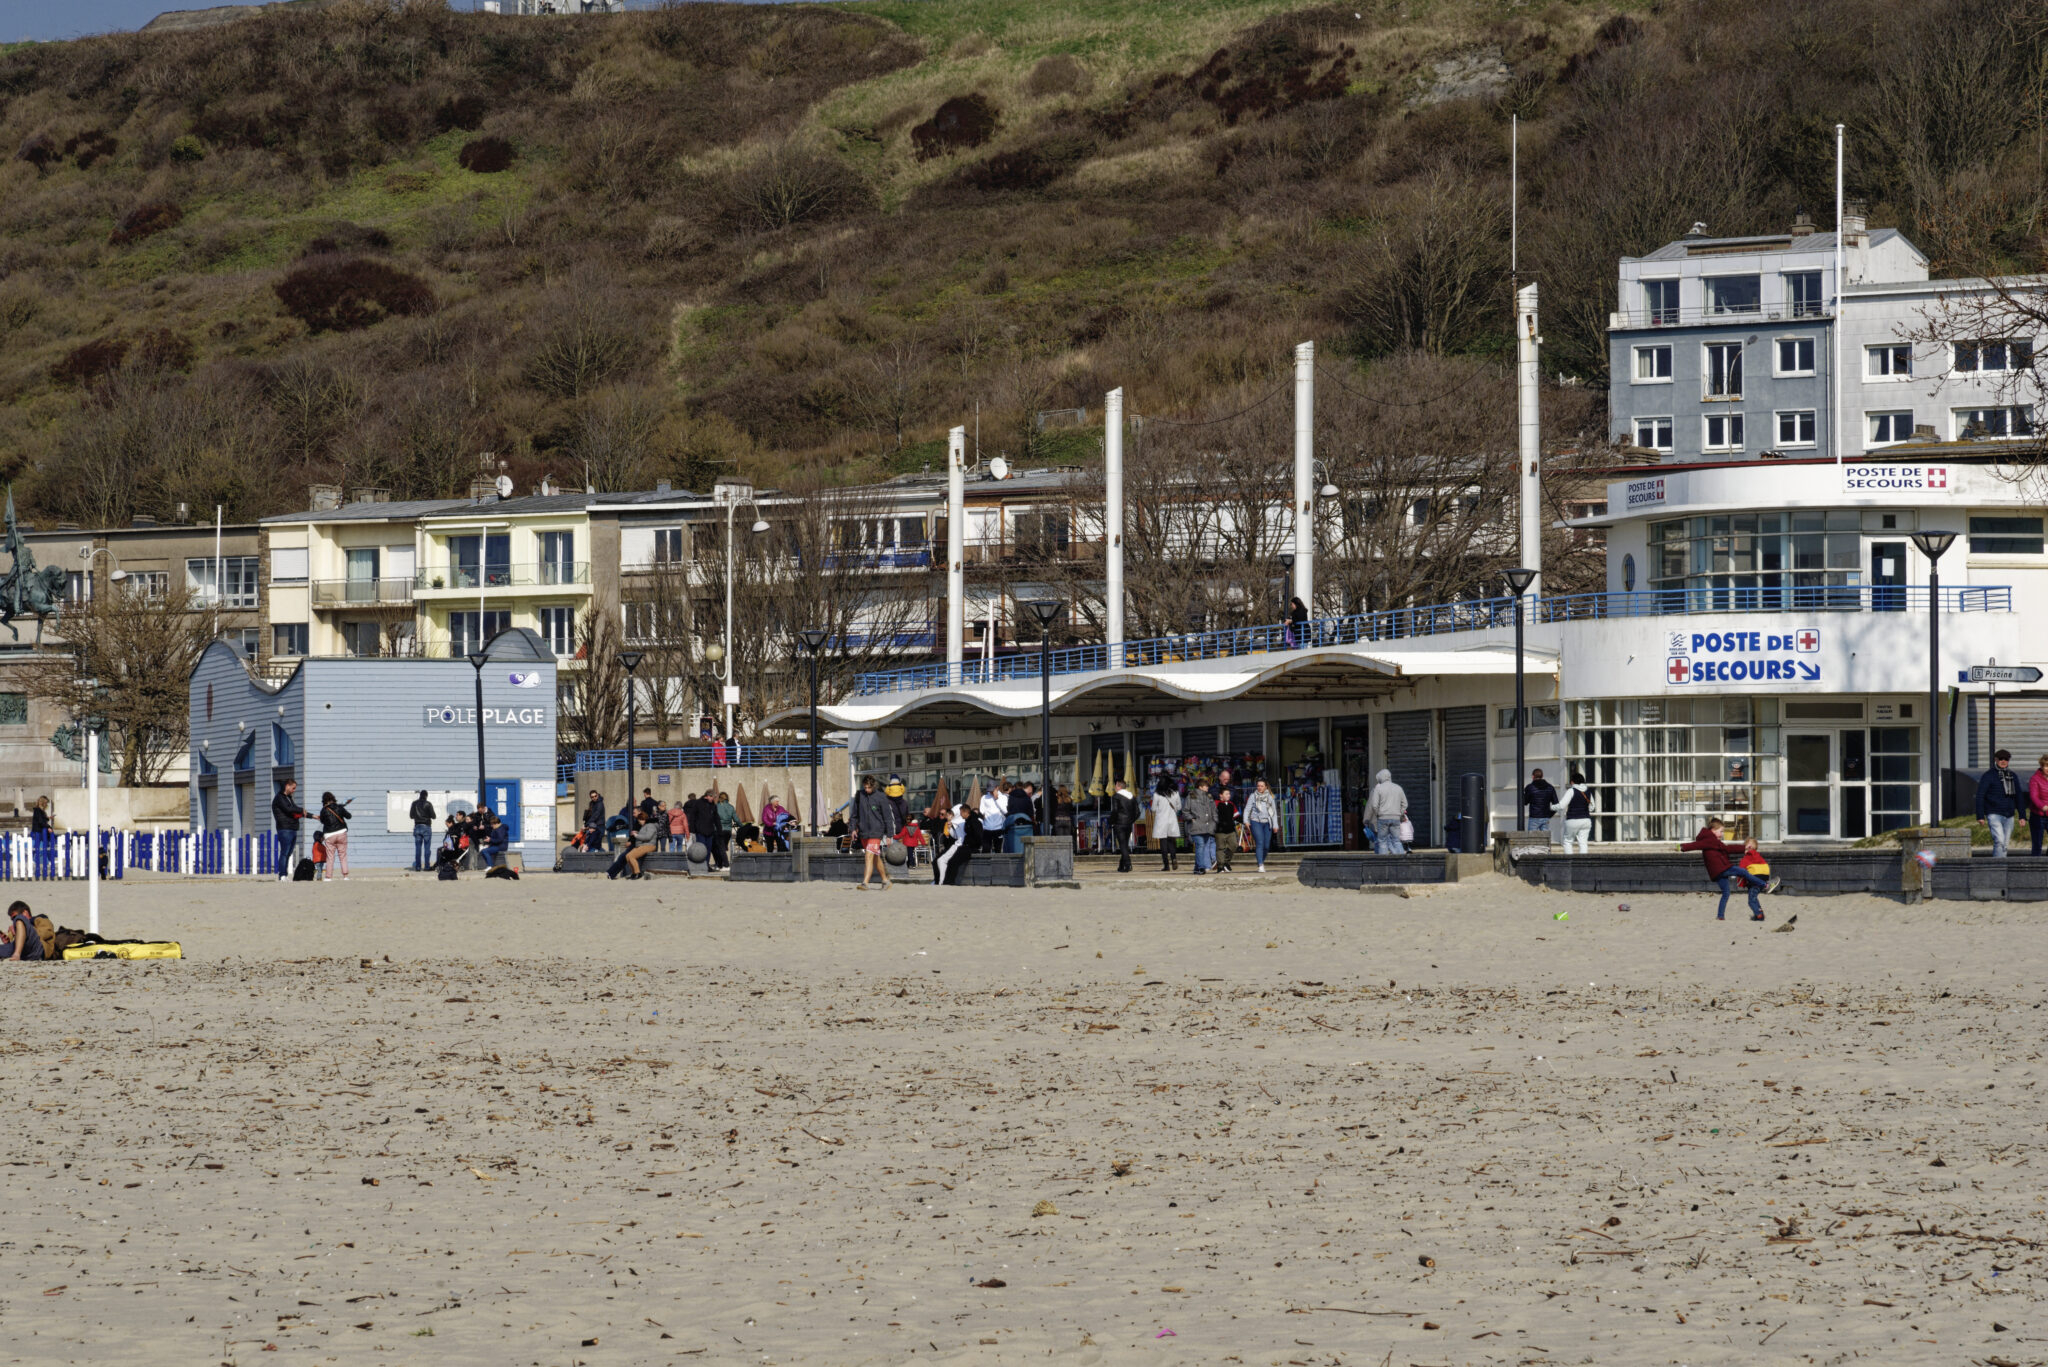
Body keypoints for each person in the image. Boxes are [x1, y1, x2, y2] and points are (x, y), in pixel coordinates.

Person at [1681, 816, 1778, 921]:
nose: (1722, 834)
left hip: (1717, 872)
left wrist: (1743, 849)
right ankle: (1766, 885)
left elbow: (1726, 849)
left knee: (1726, 893)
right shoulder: (1710, 840)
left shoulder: (1712, 840)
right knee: (1744, 872)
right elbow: (1697, 845)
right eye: (1721, 831)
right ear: (1713, 830)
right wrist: (1682, 847)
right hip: (1722, 868)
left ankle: (1720, 916)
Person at [851, 775, 895, 890]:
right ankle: (885, 880)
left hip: (876, 831)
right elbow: (854, 815)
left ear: (873, 786)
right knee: (875, 858)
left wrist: (890, 834)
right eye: (865, 787)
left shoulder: (881, 797)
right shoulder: (859, 796)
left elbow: (888, 817)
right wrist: (852, 829)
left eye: (869, 788)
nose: (867, 790)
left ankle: (865, 883)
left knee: (868, 855)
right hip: (864, 832)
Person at [1977, 748, 2022, 858]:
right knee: (1999, 841)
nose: (2003, 761)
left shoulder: (2012, 776)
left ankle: (2002, 866)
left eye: (2006, 759)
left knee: (2005, 844)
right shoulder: (1988, 775)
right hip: (1994, 813)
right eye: (2000, 759)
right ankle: (1998, 867)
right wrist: (1980, 815)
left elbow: (2019, 796)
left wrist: (2022, 816)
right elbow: (1980, 795)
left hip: (2009, 814)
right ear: (1996, 760)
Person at [609, 808, 662, 880]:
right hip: (642, 845)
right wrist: (637, 833)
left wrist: (636, 835)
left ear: (643, 819)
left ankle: (637, 873)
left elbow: (648, 837)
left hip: (649, 845)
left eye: (640, 820)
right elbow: (644, 835)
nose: (639, 822)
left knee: (631, 856)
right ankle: (634, 873)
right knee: (627, 856)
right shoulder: (644, 826)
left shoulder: (650, 826)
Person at [271, 779, 307, 881]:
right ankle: (282, 875)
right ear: (287, 786)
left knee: (288, 853)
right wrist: (301, 810)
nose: (294, 790)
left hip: (292, 828)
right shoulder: (279, 798)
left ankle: (284, 875)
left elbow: (296, 810)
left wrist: (313, 816)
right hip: (284, 829)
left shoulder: (289, 798)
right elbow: (289, 809)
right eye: (293, 788)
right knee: (284, 853)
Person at [1365, 769, 1408, 854]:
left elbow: (1374, 805)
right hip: (1395, 818)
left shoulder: (1378, 789)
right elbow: (1405, 804)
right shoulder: (1398, 788)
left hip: (1383, 818)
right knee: (1396, 840)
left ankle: (1383, 863)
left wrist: (1378, 814)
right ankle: (1401, 861)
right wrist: (1399, 813)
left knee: (1382, 841)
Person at [1242, 779, 1280, 872]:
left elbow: (1273, 813)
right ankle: (1260, 864)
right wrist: (1246, 821)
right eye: (1258, 786)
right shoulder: (1252, 796)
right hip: (1256, 821)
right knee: (1260, 842)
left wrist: (1275, 825)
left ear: (1266, 787)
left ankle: (1261, 860)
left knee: (1266, 845)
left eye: (1261, 786)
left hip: (1267, 822)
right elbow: (1247, 809)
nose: (1259, 788)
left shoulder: (1270, 797)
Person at [1182, 779, 1218, 874]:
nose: (1207, 788)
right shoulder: (1191, 796)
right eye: (1206, 786)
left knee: (1203, 846)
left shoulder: (1209, 797)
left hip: (1208, 826)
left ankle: (1196, 867)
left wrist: (1215, 822)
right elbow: (1185, 811)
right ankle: (1201, 867)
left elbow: (1214, 811)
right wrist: (1192, 819)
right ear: (1200, 787)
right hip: (1196, 826)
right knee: (1200, 845)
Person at [317, 791, 352, 881]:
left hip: (329, 835)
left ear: (324, 801)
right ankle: (345, 876)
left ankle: (328, 877)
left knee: (330, 856)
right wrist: (342, 809)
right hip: (341, 833)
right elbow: (349, 816)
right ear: (333, 798)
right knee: (342, 855)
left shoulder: (323, 810)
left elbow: (322, 821)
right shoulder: (339, 807)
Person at [1150, 777, 1182, 872]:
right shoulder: (1175, 793)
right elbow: (1179, 807)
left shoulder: (1157, 795)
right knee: (1171, 842)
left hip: (1161, 821)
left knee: (1163, 843)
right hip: (1172, 820)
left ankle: (1166, 865)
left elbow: (1153, 808)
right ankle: (1174, 858)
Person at [1109, 778, 1140, 873]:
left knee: (1122, 845)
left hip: (1119, 822)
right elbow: (1137, 812)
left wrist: (1112, 821)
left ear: (1119, 786)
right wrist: (1132, 820)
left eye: (1115, 786)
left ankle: (1128, 864)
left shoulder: (1116, 797)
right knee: (1125, 844)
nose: (1114, 787)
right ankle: (1121, 865)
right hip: (1128, 823)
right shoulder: (1131, 796)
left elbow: (1114, 810)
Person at [934, 802, 969, 885]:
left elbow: (959, 837)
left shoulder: (959, 821)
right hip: (958, 844)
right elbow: (956, 836)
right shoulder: (957, 821)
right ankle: (941, 881)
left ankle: (942, 882)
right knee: (940, 860)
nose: (950, 815)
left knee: (941, 860)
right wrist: (950, 828)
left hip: (959, 845)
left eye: (952, 813)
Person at [1560, 772, 1594, 854]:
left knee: (1568, 841)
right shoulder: (1588, 791)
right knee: (1583, 842)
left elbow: (1562, 805)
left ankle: (1569, 862)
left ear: (1572, 782)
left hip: (1572, 819)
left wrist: (1553, 807)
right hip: (1586, 820)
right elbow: (1592, 807)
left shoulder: (1571, 791)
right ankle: (1582, 864)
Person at [1212, 781, 1238, 872]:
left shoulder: (1231, 804)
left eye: (1229, 794)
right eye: (1226, 794)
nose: (1229, 796)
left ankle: (1226, 862)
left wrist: (1245, 822)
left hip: (1230, 830)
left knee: (1234, 845)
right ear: (1221, 795)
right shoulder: (1216, 804)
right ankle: (1220, 866)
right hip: (1220, 830)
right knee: (1220, 848)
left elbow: (1236, 816)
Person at [1522, 769, 1559, 835]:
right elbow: (1556, 804)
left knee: (1532, 839)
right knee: (1545, 840)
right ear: (1542, 776)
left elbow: (1525, 802)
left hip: (1534, 816)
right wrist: (1549, 814)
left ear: (1533, 776)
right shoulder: (1550, 787)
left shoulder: (1530, 787)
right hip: (1545, 817)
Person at [408, 790, 437, 871]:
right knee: (427, 848)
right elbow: (434, 816)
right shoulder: (428, 804)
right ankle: (427, 867)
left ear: (420, 795)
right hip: (426, 827)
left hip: (417, 827)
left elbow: (411, 816)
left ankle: (418, 867)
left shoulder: (414, 803)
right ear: (426, 796)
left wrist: (417, 817)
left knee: (418, 848)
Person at [1005, 778, 1035, 853]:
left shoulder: (1011, 797)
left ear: (1014, 788)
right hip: (1026, 823)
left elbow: (1009, 810)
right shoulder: (1027, 798)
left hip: (1014, 824)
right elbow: (1031, 812)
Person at [980, 783, 1008, 854]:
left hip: (999, 828)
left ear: (997, 788)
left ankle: (998, 865)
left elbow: (1005, 811)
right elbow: (981, 810)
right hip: (987, 828)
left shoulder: (1003, 797)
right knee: (985, 850)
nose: (991, 792)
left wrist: (997, 799)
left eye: (992, 790)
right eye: (989, 790)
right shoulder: (984, 797)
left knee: (998, 850)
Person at [2033, 755, 2048, 858]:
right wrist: (2043, 806)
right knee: (2037, 844)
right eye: (2046, 766)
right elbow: (2034, 797)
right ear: (2042, 767)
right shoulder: (2035, 779)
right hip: (2038, 815)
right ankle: (2034, 869)